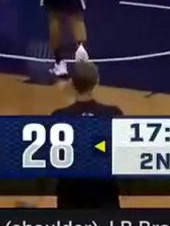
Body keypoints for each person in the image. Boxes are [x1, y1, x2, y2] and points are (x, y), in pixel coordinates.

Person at [51, 60, 122, 209]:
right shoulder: (113, 114)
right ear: (97, 81)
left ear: (71, 84)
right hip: (104, 193)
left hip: (70, 194)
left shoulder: (59, 116)